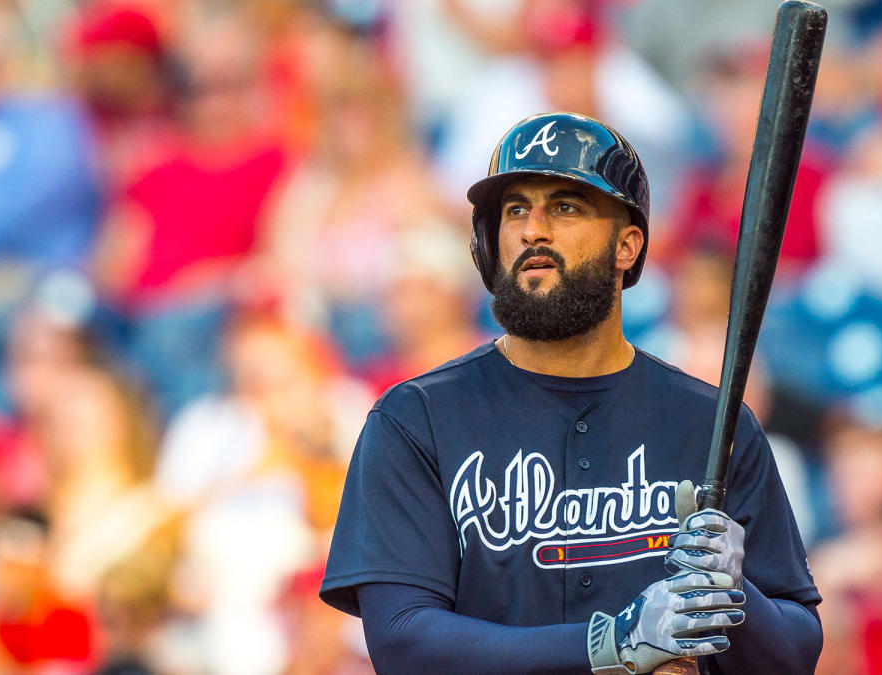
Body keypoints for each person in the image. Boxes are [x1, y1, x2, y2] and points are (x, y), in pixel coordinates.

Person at [319, 112, 822, 674]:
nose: (533, 229)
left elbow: (795, 654)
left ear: (627, 245)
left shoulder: (710, 422)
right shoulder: (417, 419)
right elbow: (402, 640)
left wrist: (734, 595)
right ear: (488, 246)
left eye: (565, 206)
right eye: (515, 210)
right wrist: (614, 642)